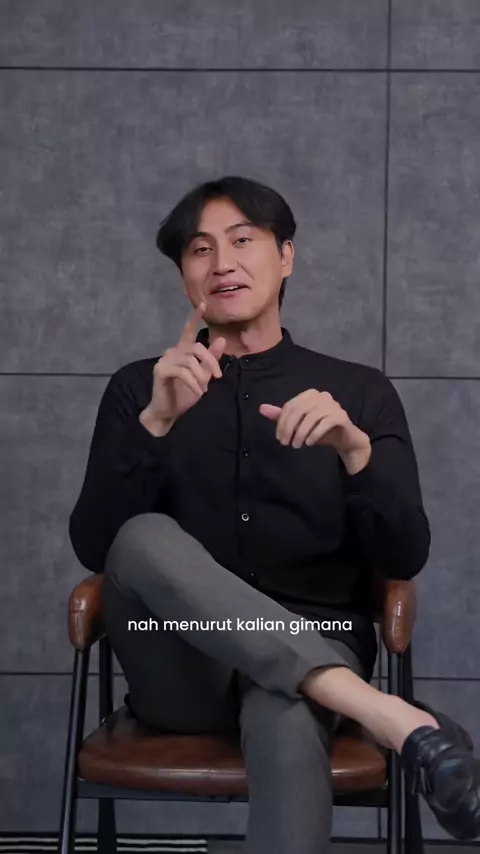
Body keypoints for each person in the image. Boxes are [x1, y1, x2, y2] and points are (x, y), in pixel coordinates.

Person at [69, 176, 480, 852]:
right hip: (181, 666)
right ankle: (388, 715)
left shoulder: (359, 393)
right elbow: (97, 548)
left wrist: (355, 453)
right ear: (185, 277)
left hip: (319, 639)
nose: (221, 263)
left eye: (242, 241)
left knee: (290, 706)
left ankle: (344, 696)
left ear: (285, 256)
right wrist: (155, 424)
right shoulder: (141, 388)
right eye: (200, 249)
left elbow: (404, 556)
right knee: (141, 537)